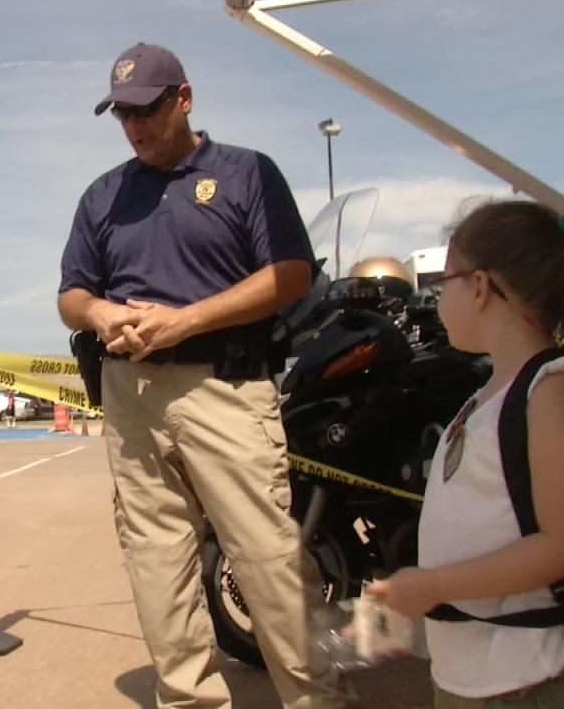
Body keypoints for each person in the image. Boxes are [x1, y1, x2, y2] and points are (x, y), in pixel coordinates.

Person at [57, 43, 348, 709]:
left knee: (265, 556)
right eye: (123, 114)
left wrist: (184, 322)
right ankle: (189, 699)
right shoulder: (104, 194)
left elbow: (290, 274)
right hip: (130, 392)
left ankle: (316, 698)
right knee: (156, 559)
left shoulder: (245, 173)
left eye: (147, 110)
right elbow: (72, 291)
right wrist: (100, 313)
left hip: (223, 386)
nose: (135, 126)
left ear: (183, 97)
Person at [367, 202, 564, 708]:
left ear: (480, 286)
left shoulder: (554, 389)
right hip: (473, 676)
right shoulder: (489, 394)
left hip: (530, 680)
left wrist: (434, 585)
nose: (438, 298)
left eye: (445, 283)